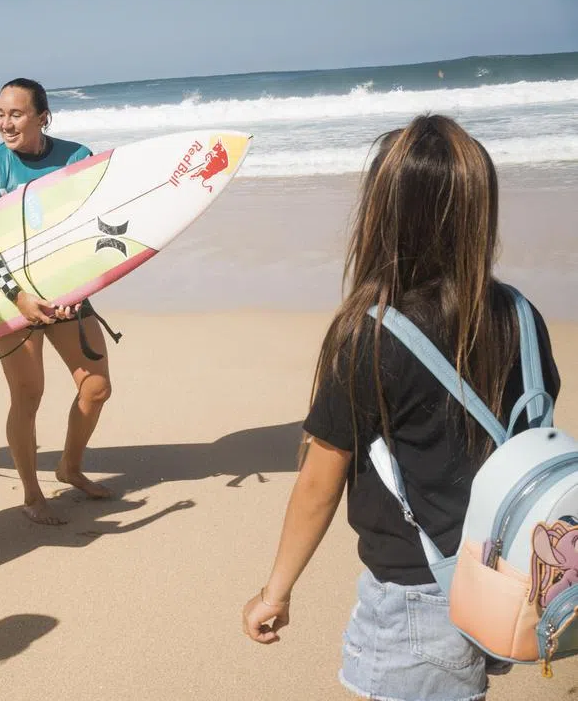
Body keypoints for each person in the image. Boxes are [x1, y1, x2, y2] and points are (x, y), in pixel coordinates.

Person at [241, 115, 562, 700]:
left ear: (382, 216)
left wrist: (276, 591)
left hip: (419, 593)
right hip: (508, 574)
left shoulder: (371, 335)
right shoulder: (520, 314)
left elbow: (318, 483)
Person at [0, 77, 114, 525]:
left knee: (96, 388)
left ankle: (69, 467)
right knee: (28, 396)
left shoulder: (79, 158)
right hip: (15, 298)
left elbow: (93, 230)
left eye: (16, 113)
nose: (5, 123)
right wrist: (18, 296)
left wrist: (79, 291)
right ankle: (31, 494)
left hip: (68, 295)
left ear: (42, 116)